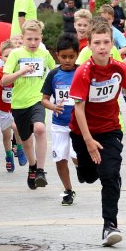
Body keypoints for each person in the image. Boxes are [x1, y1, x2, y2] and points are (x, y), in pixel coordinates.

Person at [68, 20, 126, 246]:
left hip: (110, 130)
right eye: (97, 43)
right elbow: (79, 109)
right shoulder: (83, 72)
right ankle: (81, 165)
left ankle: (110, 226)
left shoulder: (119, 68)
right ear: (89, 45)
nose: (102, 47)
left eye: (106, 42)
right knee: (89, 177)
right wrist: (88, 140)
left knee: (110, 174)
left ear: (112, 44)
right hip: (82, 132)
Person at [1, 19, 56, 189]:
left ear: (41, 38)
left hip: (38, 100)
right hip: (19, 104)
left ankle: (40, 171)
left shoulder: (44, 54)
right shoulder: (15, 55)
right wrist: (21, 71)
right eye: (29, 39)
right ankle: (32, 165)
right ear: (22, 38)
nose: (33, 43)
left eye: (36, 39)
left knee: (40, 128)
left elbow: (56, 72)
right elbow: (4, 81)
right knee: (26, 141)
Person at [40, 33, 79, 205]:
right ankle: (68, 190)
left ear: (77, 54)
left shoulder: (82, 72)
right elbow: (44, 99)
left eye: (71, 56)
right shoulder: (54, 74)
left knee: (76, 156)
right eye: (64, 57)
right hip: (59, 124)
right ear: (57, 55)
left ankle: (81, 169)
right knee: (60, 159)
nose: (68, 60)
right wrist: (53, 107)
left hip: (79, 124)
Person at [0, 40, 24, 172]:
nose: (9, 58)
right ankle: (9, 156)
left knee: (17, 128)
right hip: (3, 109)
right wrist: (2, 84)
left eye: (12, 55)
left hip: (16, 107)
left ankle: (20, 149)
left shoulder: (18, 72)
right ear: (1, 58)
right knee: (6, 136)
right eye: (6, 56)